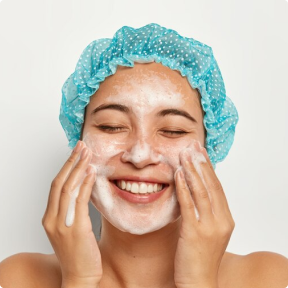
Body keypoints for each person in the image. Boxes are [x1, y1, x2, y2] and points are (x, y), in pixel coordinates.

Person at [1, 23, 288, 288]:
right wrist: (79, 280)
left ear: (209, 147)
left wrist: (199, 282)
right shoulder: (20, 278)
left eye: (173, 131)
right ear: (79, 140)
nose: (140, 155)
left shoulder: (268, 278)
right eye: (111, 126)